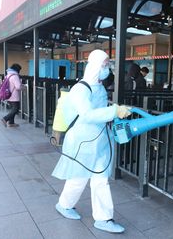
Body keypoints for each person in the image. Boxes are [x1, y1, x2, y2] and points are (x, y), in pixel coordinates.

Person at [52, 49, 131, 234]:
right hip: (82, 142)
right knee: (78, 178)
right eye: (104, 65)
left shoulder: (99, 87)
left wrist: (115, 111)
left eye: (107, 64)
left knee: (100, 180)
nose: (107, 68)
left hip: (99, 141)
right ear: (95, 65)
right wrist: (114, 111)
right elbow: (87, 114)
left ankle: (103, 218)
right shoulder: (81, 89)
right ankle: (64, 205)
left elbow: (99, 111)